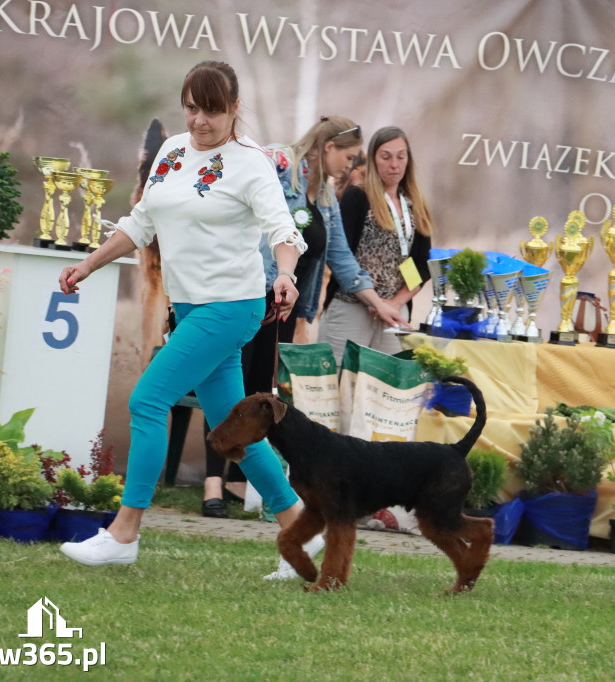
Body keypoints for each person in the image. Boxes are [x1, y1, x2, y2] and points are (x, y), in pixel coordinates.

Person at [57, 60, 314, 570]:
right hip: (192, 307)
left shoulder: (250, 163)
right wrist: (88, 265)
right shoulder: (173, 151)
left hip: (232, 308)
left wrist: (284, 273)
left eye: (213, 111)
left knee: (148, 401)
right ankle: (302, 533)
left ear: (235, 109)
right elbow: (141, 222)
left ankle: (124, 534)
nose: (200, 121)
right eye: (192, 108)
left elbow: (282, 229)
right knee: (230, 427)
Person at [200, 117, 406, 536]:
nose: (350, 168)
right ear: (327, 147)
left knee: (259, 399)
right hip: (250, 296)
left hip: (285, 306)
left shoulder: (326, 196)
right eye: (348, 157)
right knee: (228, 388)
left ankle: (256, 488)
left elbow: (342, 261)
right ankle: (212, 485)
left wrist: (379, 304)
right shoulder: (277, 169)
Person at [320, 126, 433, 362]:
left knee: (387, 388)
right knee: (339, 384)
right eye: (386, 157)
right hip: (352, 307)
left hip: (394, 314)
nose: (394, 165)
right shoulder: (357, 197)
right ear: (373, 160)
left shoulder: (415, 204)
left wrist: (395, 303)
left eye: (401, 157)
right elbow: (342, 257)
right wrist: (374, 301)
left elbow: (420, 265)